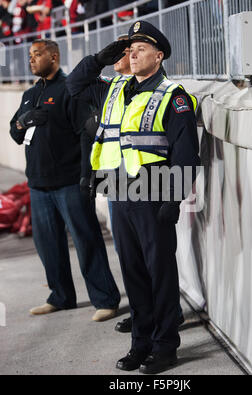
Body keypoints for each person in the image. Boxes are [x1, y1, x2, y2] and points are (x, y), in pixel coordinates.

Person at [66, 21, 201, 374]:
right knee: (133, 273)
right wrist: (98, 58)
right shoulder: (115, 88)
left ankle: (165, 346)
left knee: (160, 272)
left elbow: (186, 153)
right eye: (130, 49)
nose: (132, 54)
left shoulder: (174, 95)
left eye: (140, 48)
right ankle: (140, 344)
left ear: (159, 56)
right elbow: (74, 85)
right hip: (118, 191)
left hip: (154, 191)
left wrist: (172, 199)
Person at [9, 39, 120, 322]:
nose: (31, 60)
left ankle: (105, 299)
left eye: (37, 54)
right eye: (29, 55)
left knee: (86, 241)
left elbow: (85, 134)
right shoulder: (30, 94)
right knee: (48, 245)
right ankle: (61, 296)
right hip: (38, 184)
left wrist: (87, 175)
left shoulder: (70, 90)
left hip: (69, 181)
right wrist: (23, 121)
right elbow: (15, 131)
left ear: (54, 56)